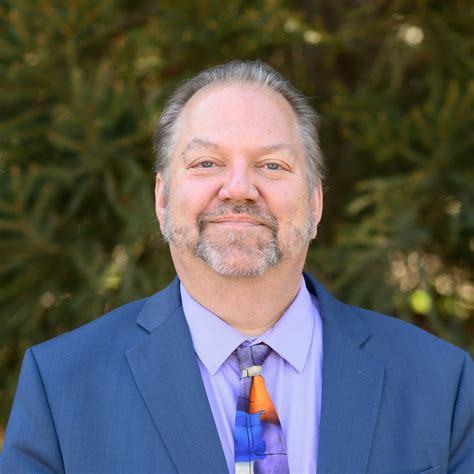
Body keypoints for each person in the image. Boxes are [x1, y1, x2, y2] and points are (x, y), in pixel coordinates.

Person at [1, 60, 473, 474]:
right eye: (207, 163)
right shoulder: (61, 386)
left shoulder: (441, 383)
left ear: (315, 203)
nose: (239, 188)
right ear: (163, 200)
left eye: (272, 165)